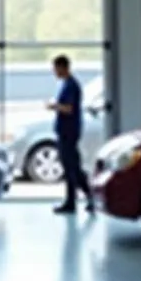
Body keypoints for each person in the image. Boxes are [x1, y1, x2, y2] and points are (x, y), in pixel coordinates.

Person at [47, 54, 94, 215]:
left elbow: (68, 108)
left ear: (63, 67)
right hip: (67, 131)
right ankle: (83, 197)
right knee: (72, 166)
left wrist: (55, 106)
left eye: (56, 68)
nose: (54, 72)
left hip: (69, 132)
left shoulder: (71, 86)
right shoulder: (67, 84)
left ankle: (74, 201)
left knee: (71, 167)